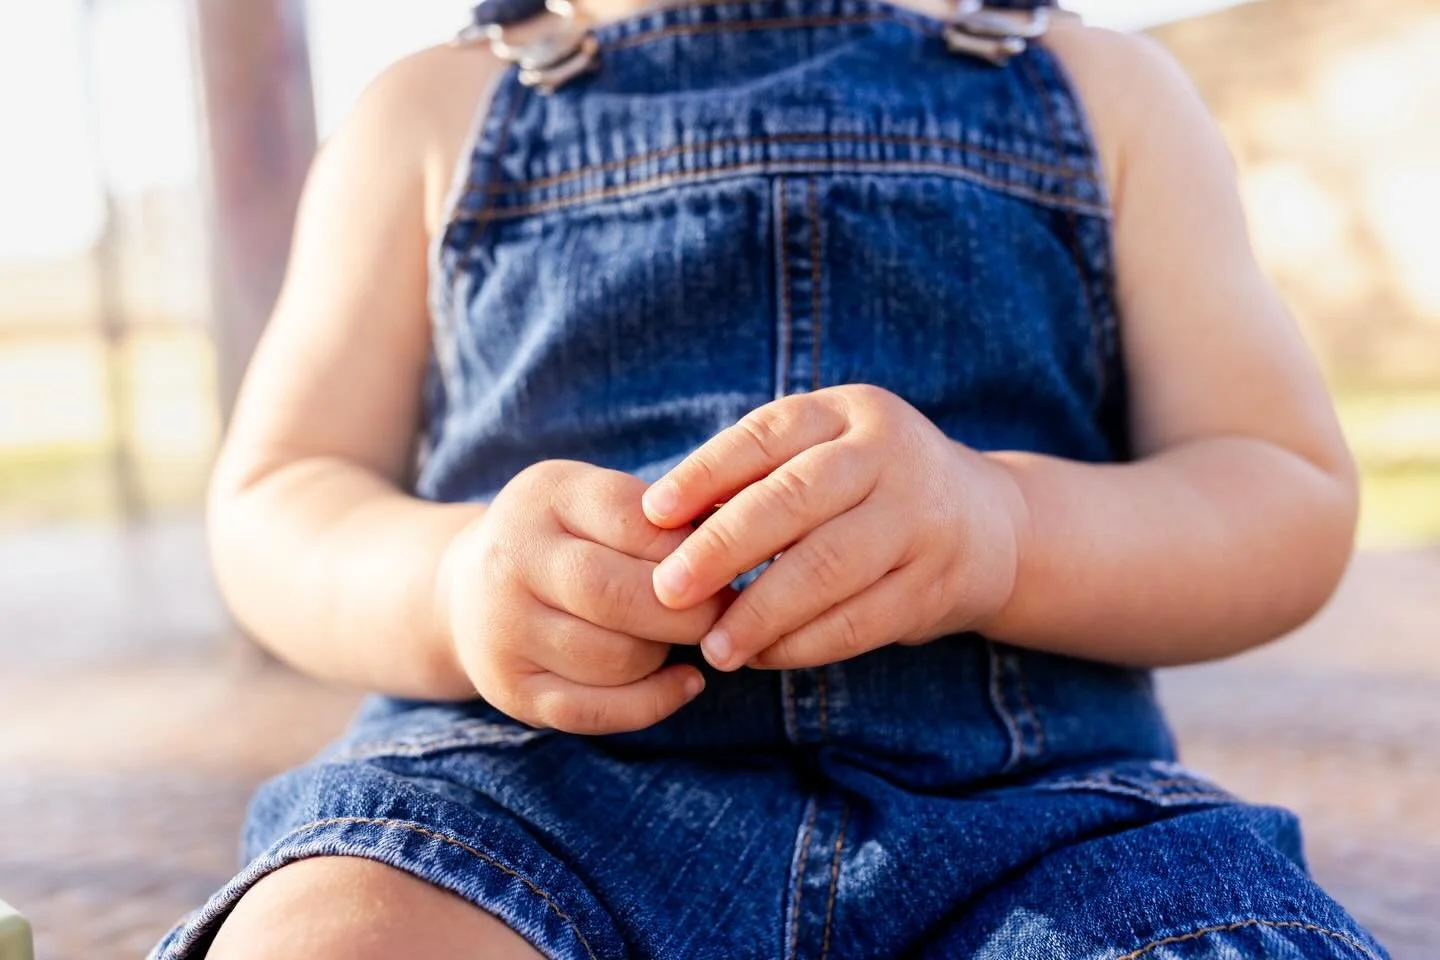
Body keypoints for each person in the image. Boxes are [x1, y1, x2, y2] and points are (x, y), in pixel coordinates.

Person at [152, 0, 1389, 956]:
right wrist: (452, 583)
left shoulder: (1106, 90)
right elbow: (280, 493)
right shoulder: (427, 115)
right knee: (341, 930)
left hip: (1039, 826)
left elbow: (1278, 485)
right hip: (518, 807)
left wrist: (1008, 523)